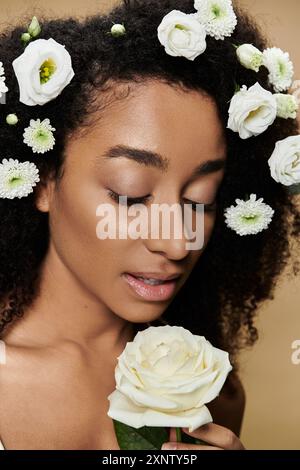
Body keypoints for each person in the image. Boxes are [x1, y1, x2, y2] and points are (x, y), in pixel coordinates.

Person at [0, 0, 299, 450]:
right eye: (130, 194)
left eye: (202, 199)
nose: (178, 241)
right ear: (43, 182)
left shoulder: (210, 394)